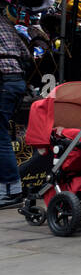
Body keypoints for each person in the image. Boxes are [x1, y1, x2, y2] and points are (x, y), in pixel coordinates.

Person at [0, 15, 34, 208]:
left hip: (4, 81)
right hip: (15, 81)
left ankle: (10, 191)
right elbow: (26, 54)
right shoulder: (5, 21)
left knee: (1, 135)